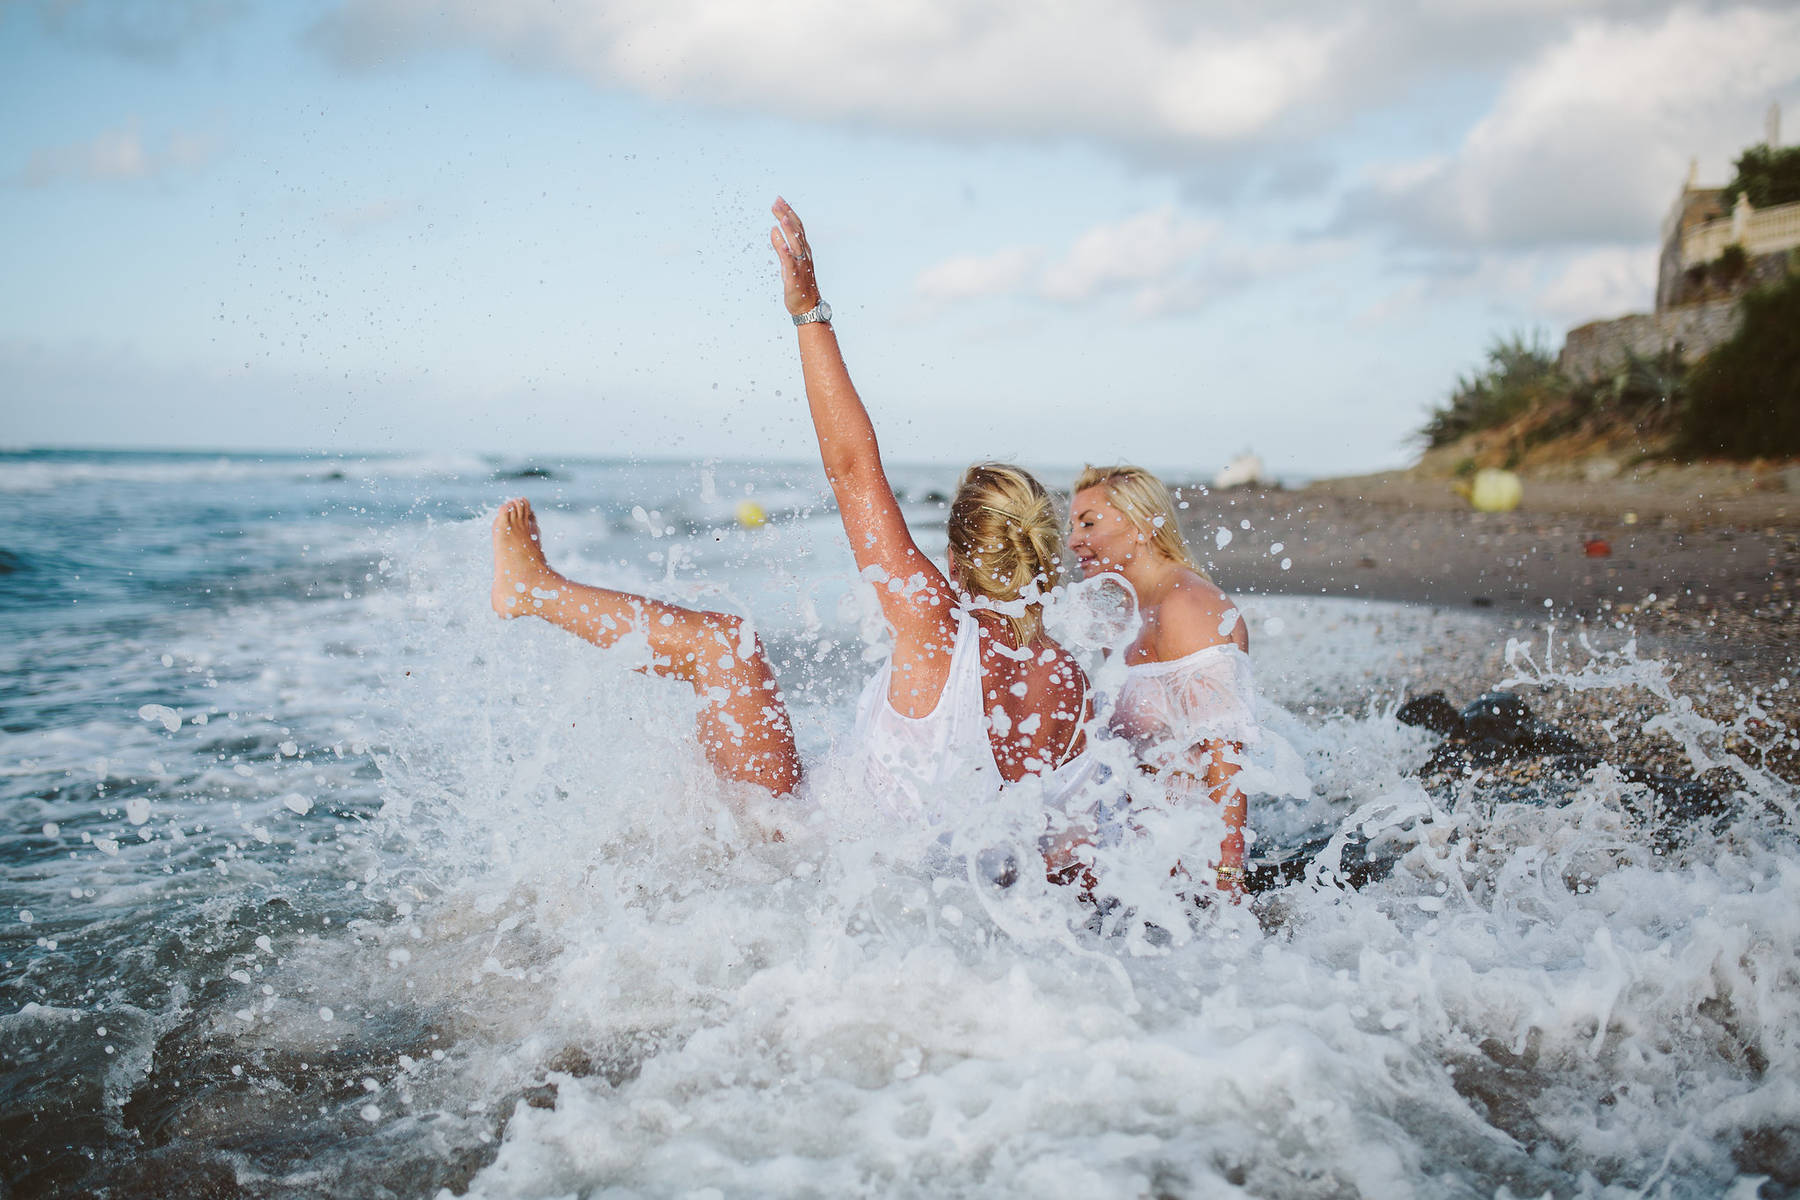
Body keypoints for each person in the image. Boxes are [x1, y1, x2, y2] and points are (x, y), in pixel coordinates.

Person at [488, 198, 1093, 838]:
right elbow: (1066, 848)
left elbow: (853, 468)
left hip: (807, 853)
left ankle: (532, 589)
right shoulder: (1069, 684)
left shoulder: (935, 627)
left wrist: (808, 312)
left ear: (955, 556)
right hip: (917, 901)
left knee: (724, 646)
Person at [1066, 465, 1254, 898]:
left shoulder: (1189, 607)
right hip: (1136, 852)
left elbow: (1225, 751)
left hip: (1189, 859)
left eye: (1089, 523)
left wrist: (1228, 872)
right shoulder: (1122, 610)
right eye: (1073, 525)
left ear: (1141, 526)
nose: (1074, 540)